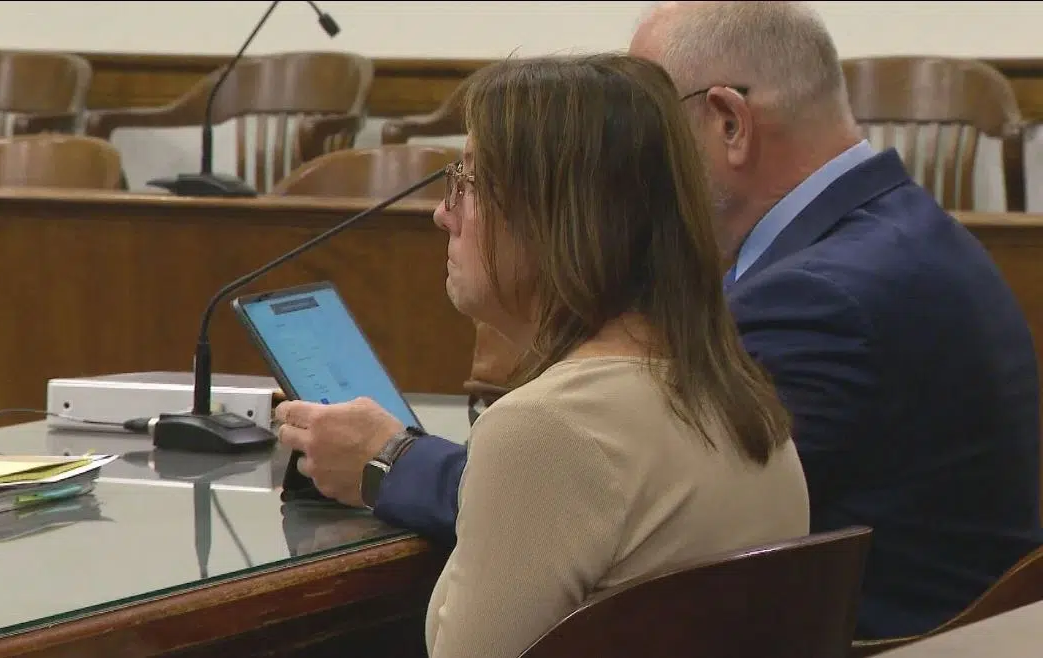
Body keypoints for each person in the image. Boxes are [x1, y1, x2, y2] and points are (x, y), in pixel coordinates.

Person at [275, 0, 1043, 641]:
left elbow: (589, 478)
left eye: (646, 127)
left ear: (728, 122)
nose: (635, 158)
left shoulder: (819, 298)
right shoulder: (904, 238)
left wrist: (390, 460)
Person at [275, 53, 811, 658]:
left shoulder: (548, 428)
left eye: (468, 183)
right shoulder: (742, 401)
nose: (444, 213)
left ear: (552, 217)